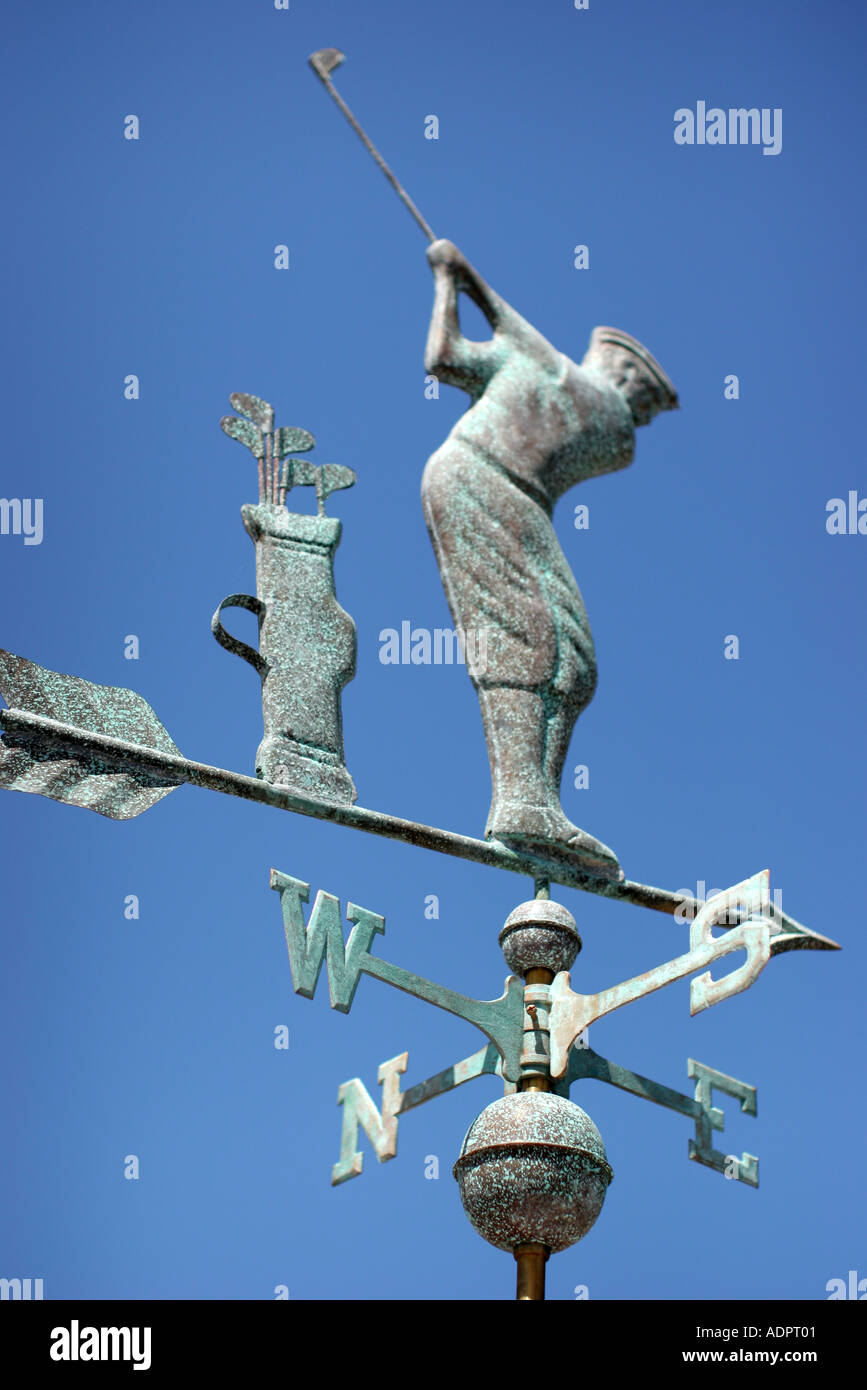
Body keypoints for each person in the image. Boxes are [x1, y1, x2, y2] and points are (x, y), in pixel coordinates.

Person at [421, 239, 678, 879]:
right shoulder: (577, 387)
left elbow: (447, 356)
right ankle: (518, 802)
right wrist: (459, 278)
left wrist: (454, 279)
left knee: (573, 659)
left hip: (506, 491)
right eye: (646, 403)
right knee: (525, 635)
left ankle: (537, 801)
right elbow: (455, 357)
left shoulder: (596, 417)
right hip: (481, 478)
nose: (640, 423)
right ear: (623, 376)